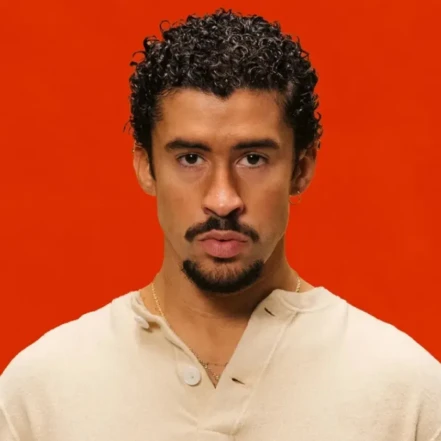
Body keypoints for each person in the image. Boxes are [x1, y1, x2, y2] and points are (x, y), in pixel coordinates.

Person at [1, 8, 440, 441]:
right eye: (191, 158)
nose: (223, 199)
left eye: (253, 159)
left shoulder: (407, 395)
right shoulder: (39, 396)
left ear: (301, 167)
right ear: (146, 167)